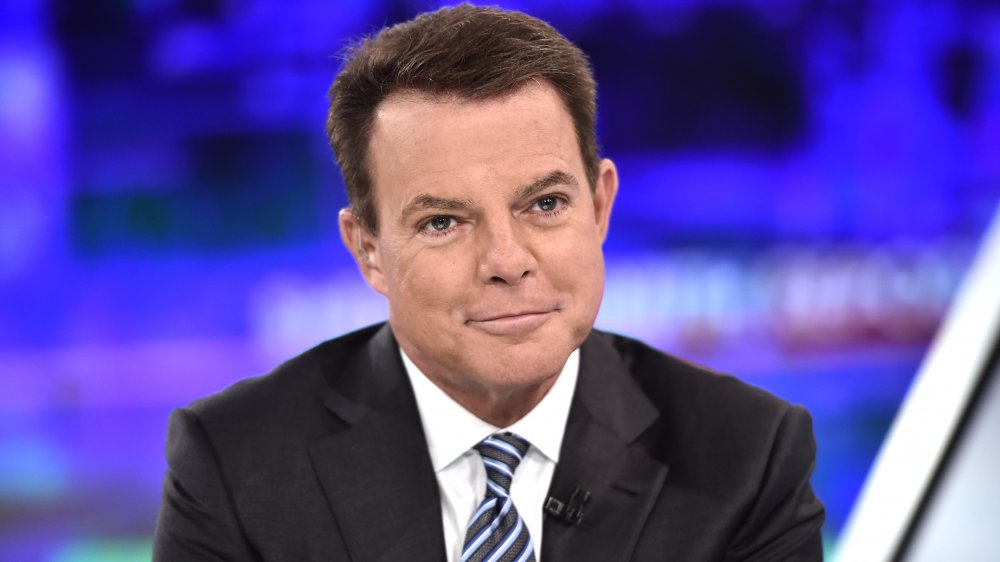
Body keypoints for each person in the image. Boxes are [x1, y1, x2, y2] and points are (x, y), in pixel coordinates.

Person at [153, 4, 825, 561]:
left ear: (599, 207)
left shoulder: (748, 454)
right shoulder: (235, 462)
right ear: (369, 251)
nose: (507, 260)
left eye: (545, 205)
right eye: (444, 221)